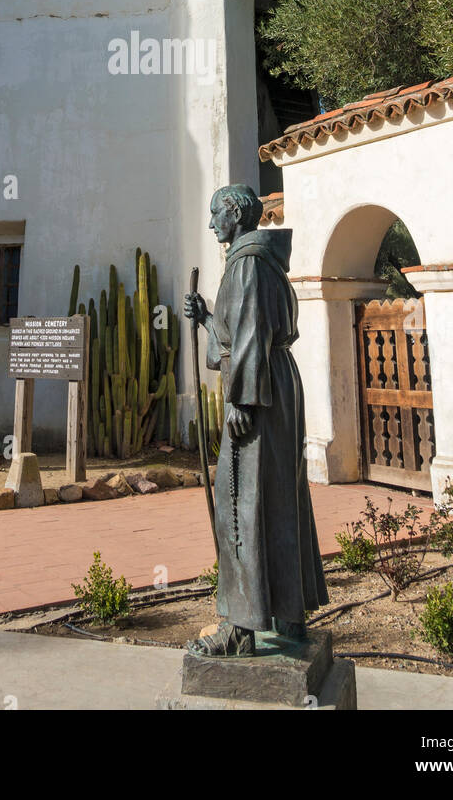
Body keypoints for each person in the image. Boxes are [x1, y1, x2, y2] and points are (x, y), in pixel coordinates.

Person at [184, 183, 328, 656]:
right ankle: (289, 616)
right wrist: (207, 319)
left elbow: (248, 334)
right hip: (277, 386)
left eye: (214, 215)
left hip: (257, 394)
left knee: (239, 504)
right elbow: (243, 328)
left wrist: (241, 401)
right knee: (277, 497)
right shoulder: (263, 263)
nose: (210, 225)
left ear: (234, 213)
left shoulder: (246, 263)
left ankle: (240, 628)